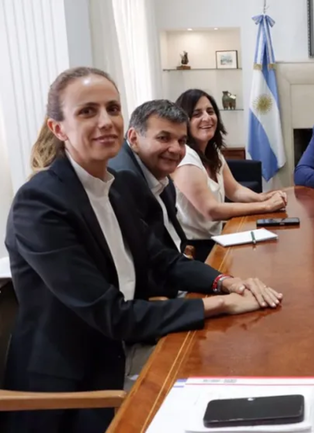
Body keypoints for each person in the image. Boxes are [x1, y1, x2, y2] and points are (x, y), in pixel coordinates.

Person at [2, 67, 283, 433]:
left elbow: (161, 259)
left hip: (131, 351)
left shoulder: (117, 187)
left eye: (113, 108)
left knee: (256, 368)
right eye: (88, 111)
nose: (106, 121)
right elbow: (110, 315)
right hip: (80, 389)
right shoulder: (39, 204)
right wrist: (219, 305)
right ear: (59, 128)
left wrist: (226, 282)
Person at [172, 89, 288, 260]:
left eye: (210, 111)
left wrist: (264, 197)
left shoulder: (213, 151)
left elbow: (234, 190)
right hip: (195, 249)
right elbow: (212, 210)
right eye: (197, 114)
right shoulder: (186, 157)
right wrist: (266, 207)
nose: (207, 118)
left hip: (217, 238)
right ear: (184, 122)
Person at [109, 100, 188, 257]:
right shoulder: (124, 179)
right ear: (133, 138)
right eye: (164, 138)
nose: (176, 149)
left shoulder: (162, 176)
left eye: (181, 141)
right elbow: (150, 258)